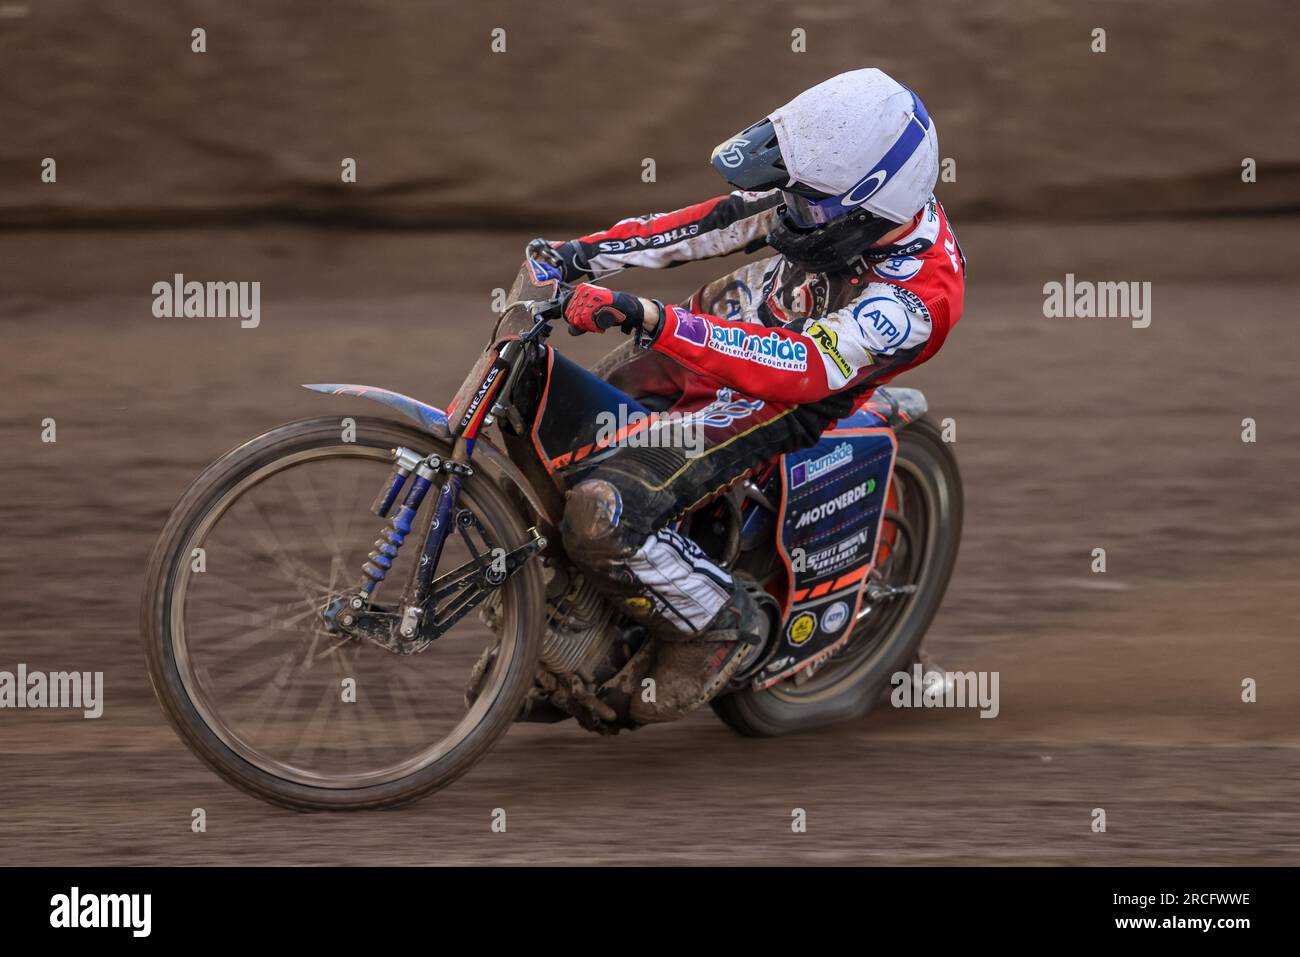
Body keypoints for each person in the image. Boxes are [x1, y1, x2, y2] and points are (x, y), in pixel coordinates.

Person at [528, 68, 965, 725]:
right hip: (720, 335)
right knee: (563, 435)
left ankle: (718, 625)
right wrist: (581, 254)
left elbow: (798, 368)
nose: (789, 210)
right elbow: (709, 225)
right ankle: (592, 623)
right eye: (789, 189)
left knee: (604, 513)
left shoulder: (916, 299)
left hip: (780, 397)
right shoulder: (826, 195)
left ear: (870, 204)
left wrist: (654, 319)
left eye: (806, 201)